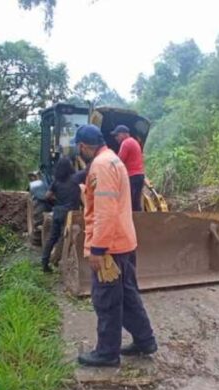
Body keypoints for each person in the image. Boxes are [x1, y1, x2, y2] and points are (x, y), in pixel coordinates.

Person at [74, 124, 157, 367]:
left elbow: (104, 211)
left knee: (106, 300)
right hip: (125, 243)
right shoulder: (114, 161)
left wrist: (98, 249)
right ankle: (145, 340)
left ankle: (107, 353)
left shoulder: (100, 166)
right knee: (129, 296)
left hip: (110, 248)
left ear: (82, 146)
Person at [41, 157, 81, 273]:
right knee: (66, 239)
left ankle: (45, 263)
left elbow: (47, 196)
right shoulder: (75, 180)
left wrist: (56, 199)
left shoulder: (56, 182)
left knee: (52, 238)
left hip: (58, 212)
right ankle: (62, 265)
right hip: (70, 214)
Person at [111, 125, 145, 211]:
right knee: (136, 203)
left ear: (123, 134)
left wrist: (109, 164)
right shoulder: (134, 142)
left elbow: (119, 161)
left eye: (117, 135)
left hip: (132, 177)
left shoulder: (126, 143)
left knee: (127, 202)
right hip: (140, 175)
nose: (116, 138)